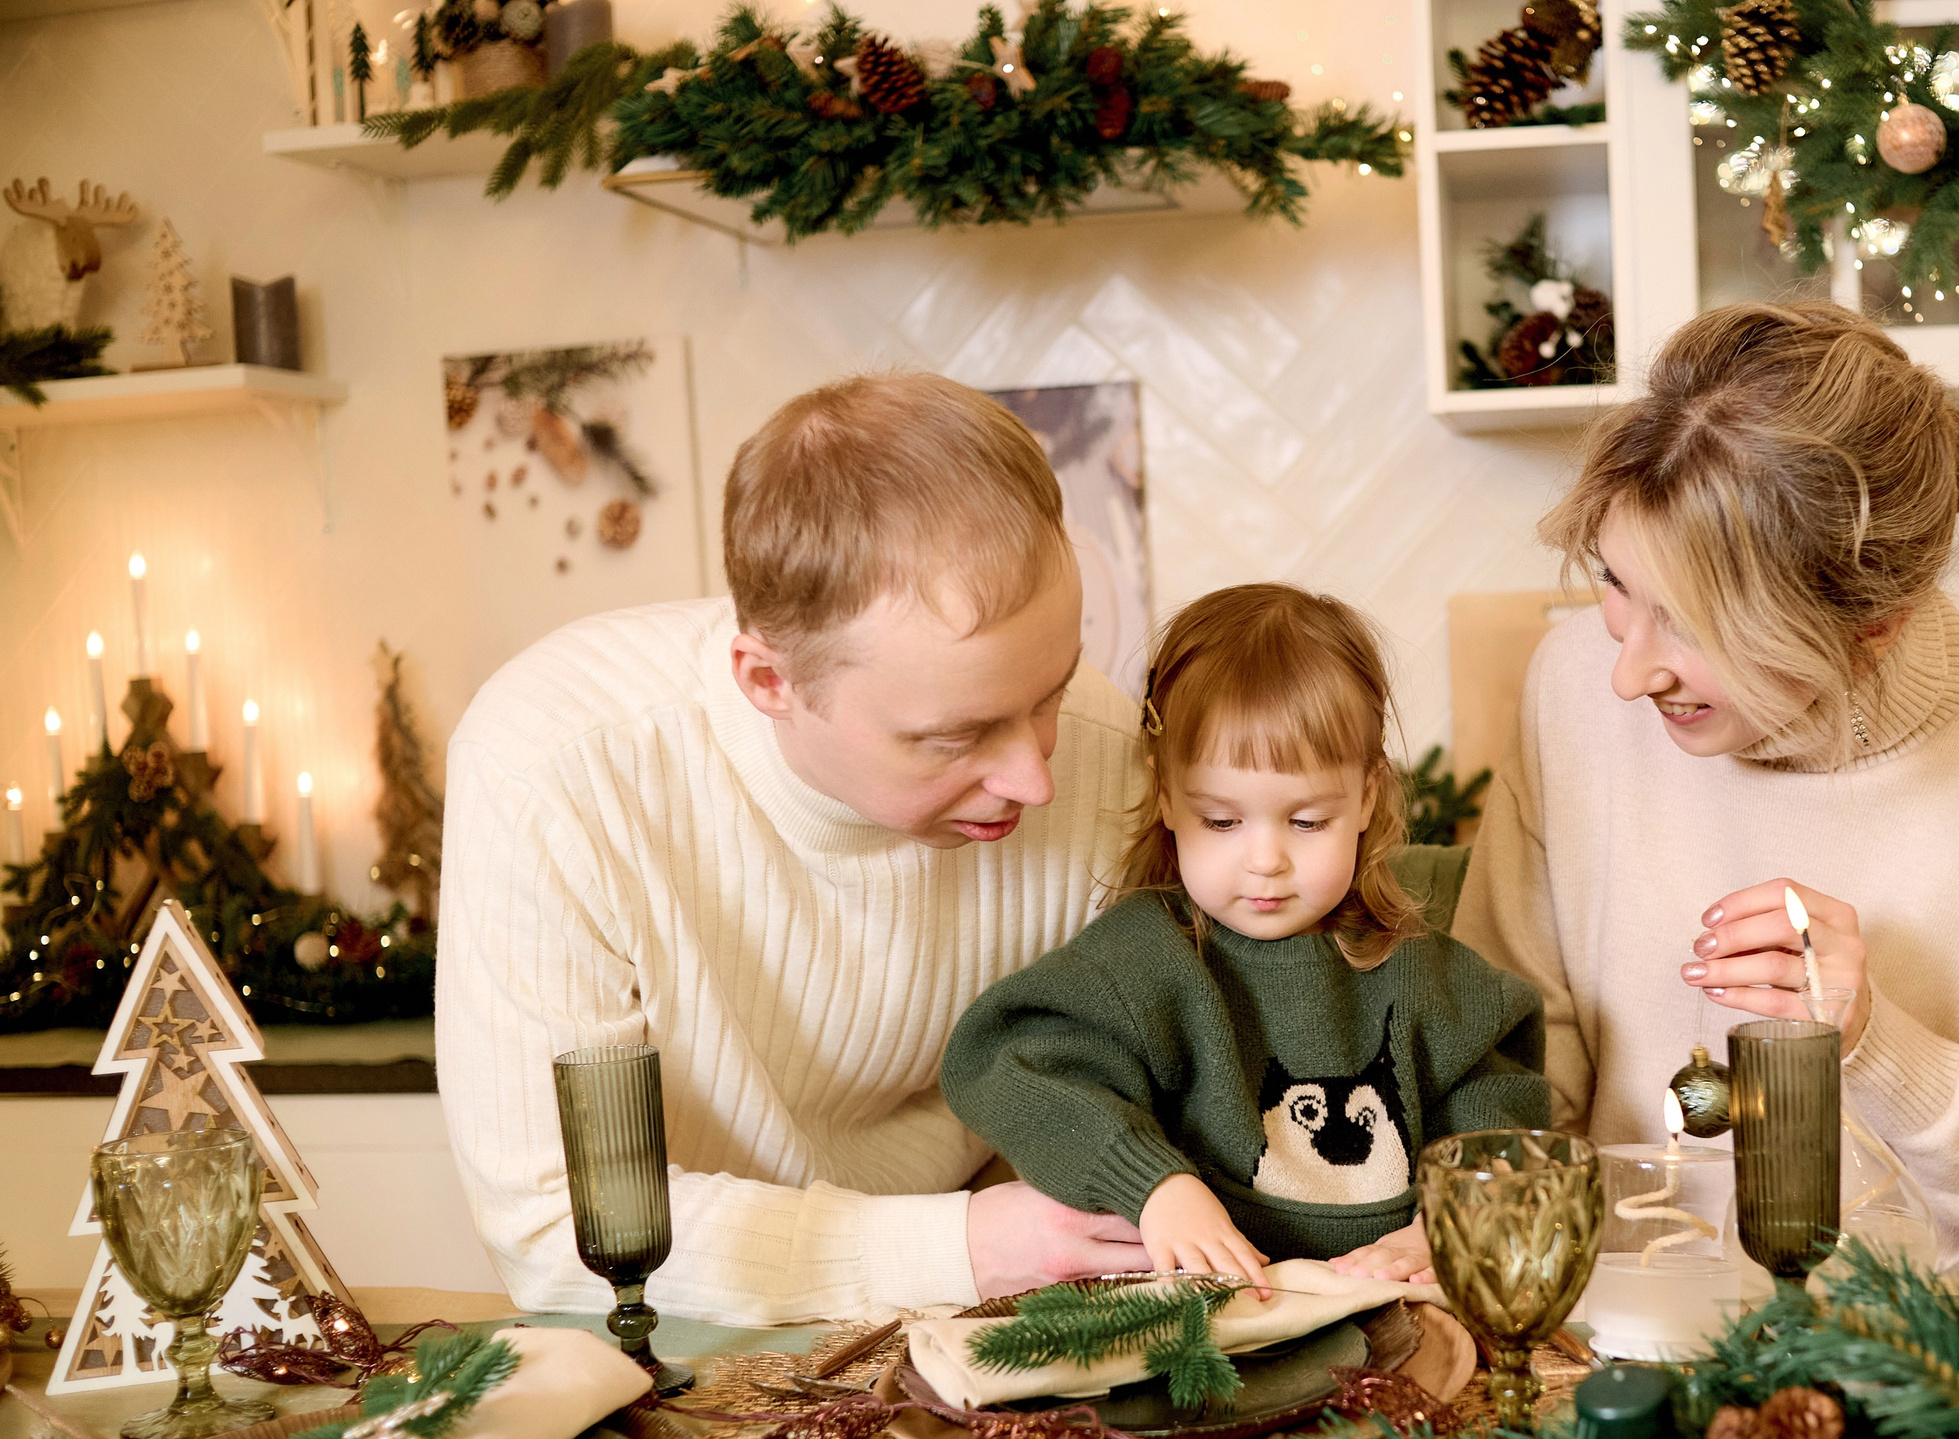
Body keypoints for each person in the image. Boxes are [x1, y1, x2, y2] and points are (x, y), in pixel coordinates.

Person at [437, 373, 1153, 1325]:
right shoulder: (554, 769)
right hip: (685, 1336)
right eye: (957, 736)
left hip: (1010, 1319)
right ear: (769, 681)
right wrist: (961, 1247)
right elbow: (550, 1225)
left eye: (1053, 692)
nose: (1037, 778)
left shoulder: (1107, 750)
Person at [1454, 302, 1959, 1266]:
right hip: (1612, 1324)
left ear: (1872, 626)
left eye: (1693, 624)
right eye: (1617, 584)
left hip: (1915, 1344)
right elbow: (1506, 1073)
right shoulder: (1569, 688)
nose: (1628, 674)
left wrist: (1872, 1040)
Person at [940, 584, 1550, 1287]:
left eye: (1307, 821)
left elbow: (1498, 1110)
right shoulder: (1143, 960)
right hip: (1210, 1314)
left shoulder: (1426, 974)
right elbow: (1011, 1067)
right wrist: (1156, 1186)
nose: (1265, 860)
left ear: (1367, 796)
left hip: (1391, 1301)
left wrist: (1451, 1219)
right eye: (1222, 821)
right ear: (1166, 795)